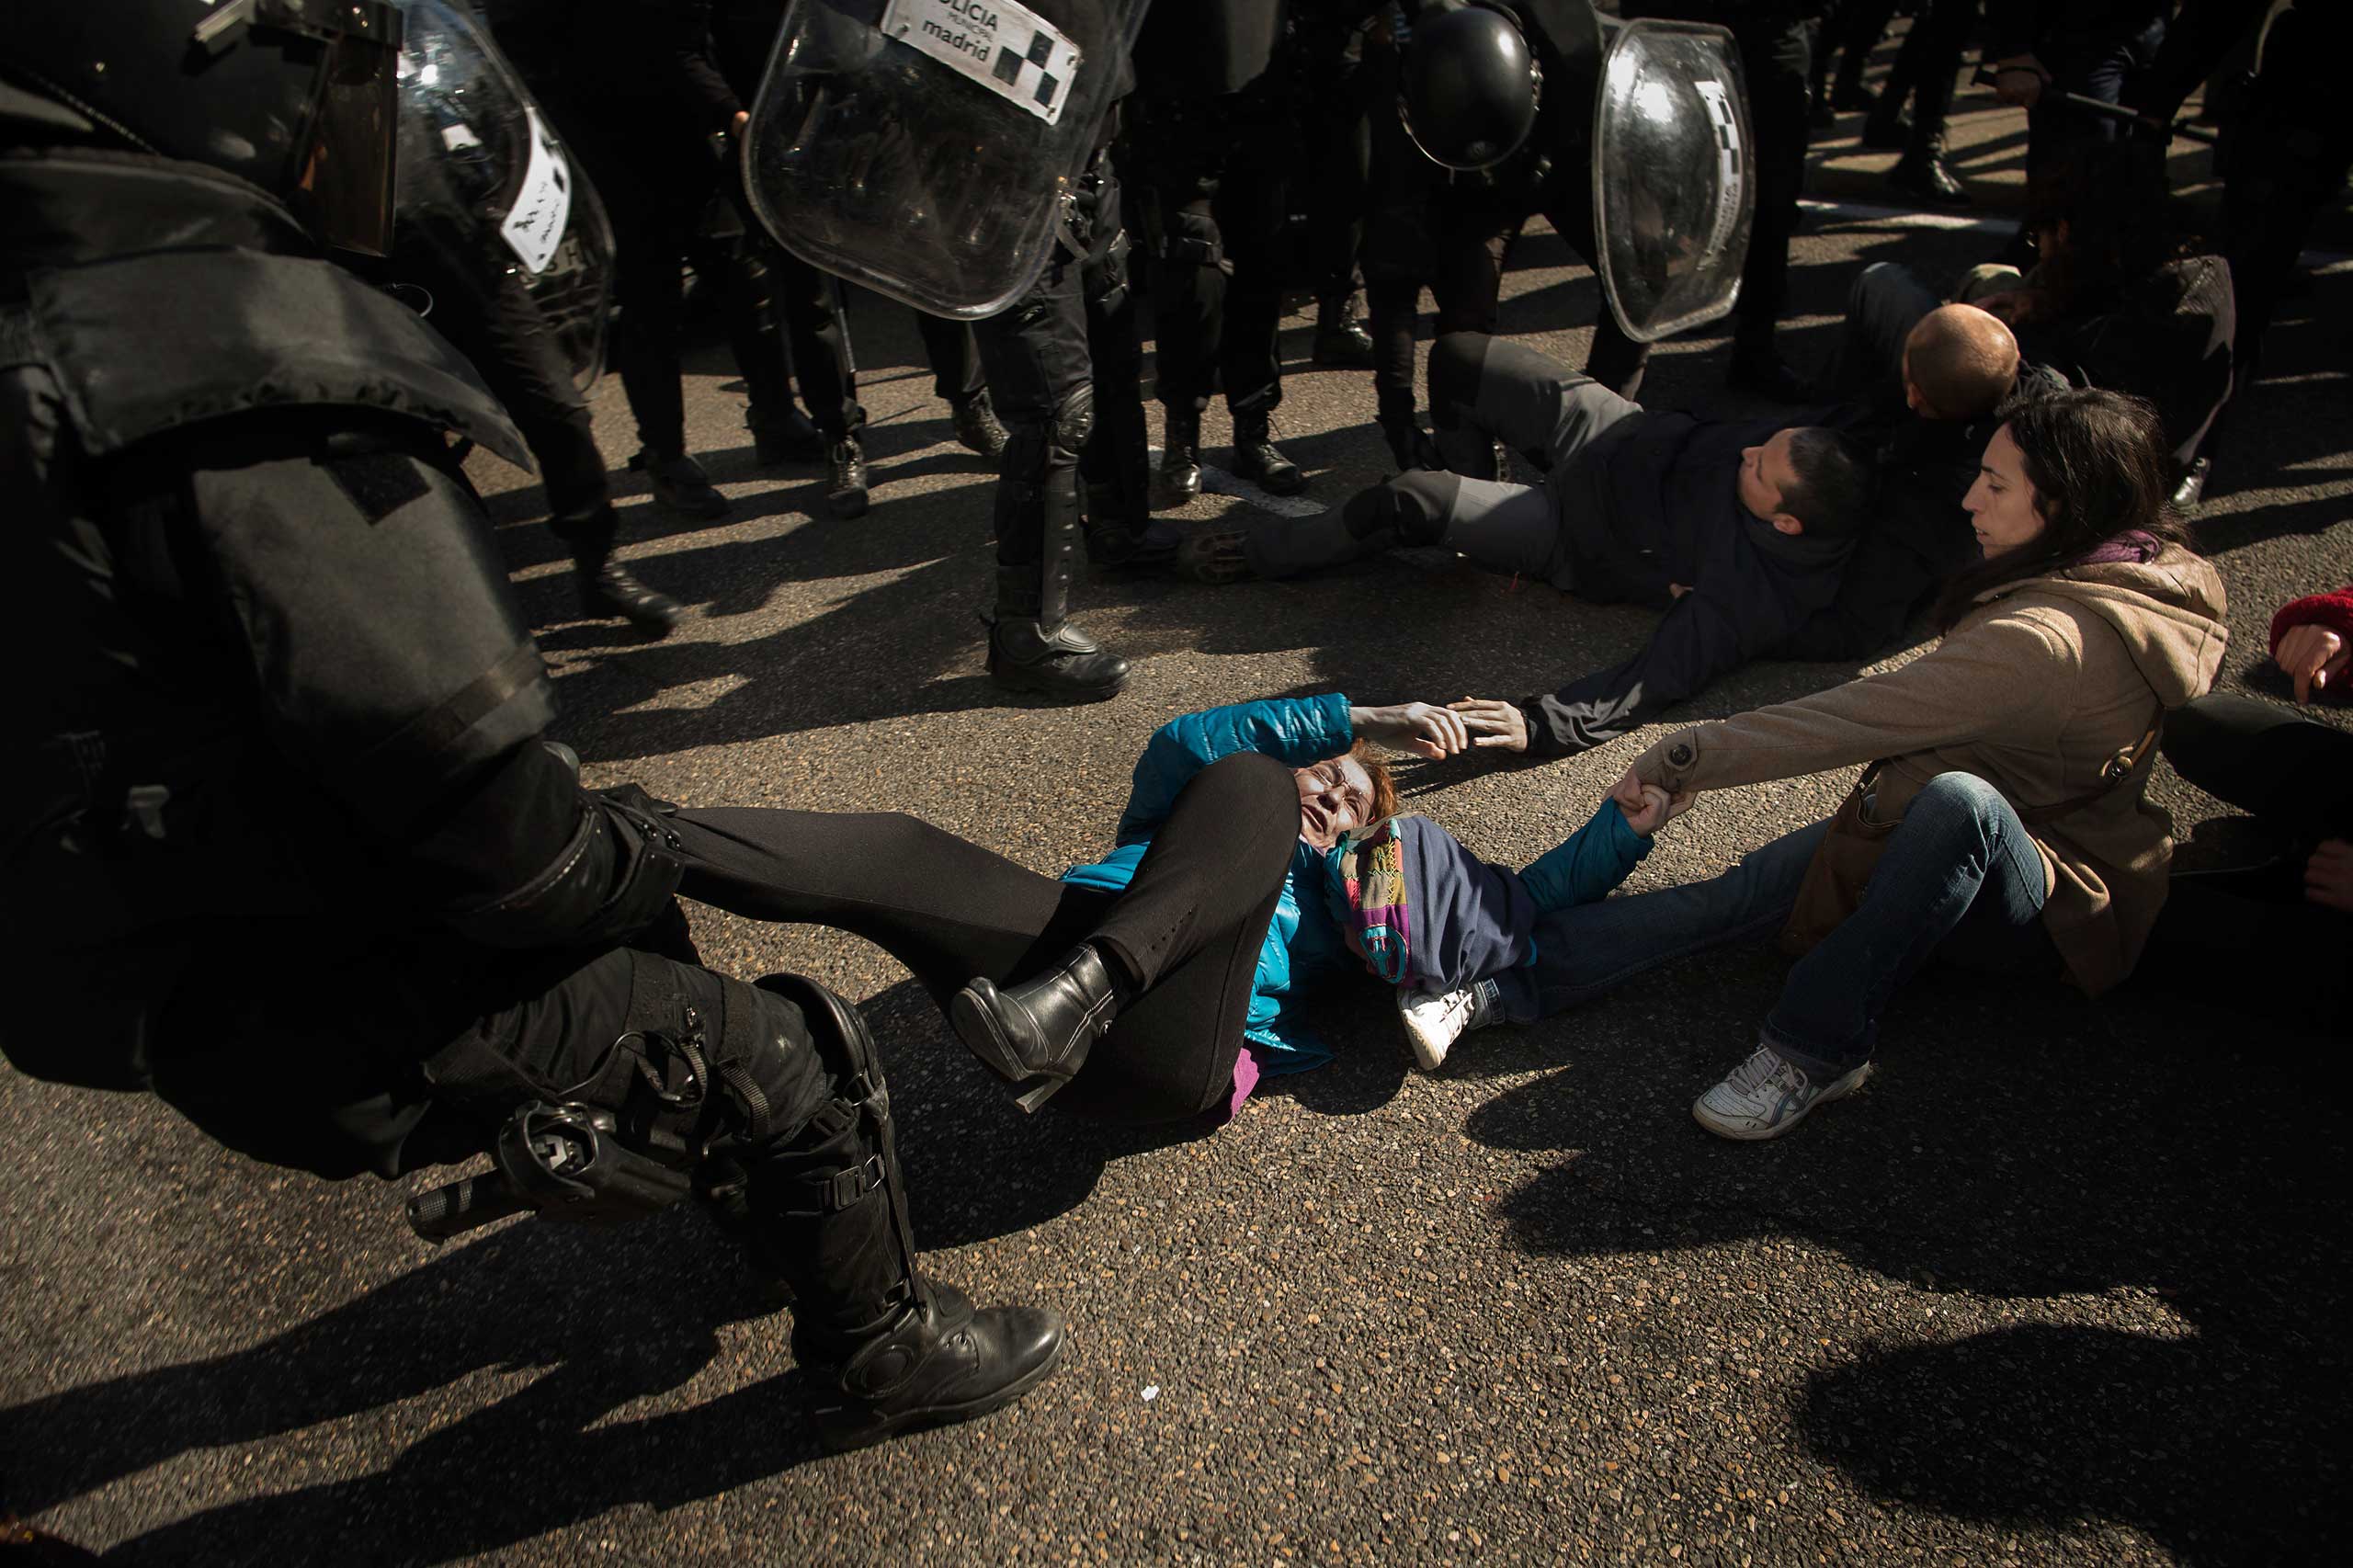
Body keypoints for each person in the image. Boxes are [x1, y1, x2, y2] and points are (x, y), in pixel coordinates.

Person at [0, 1, 1062, 1451]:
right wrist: (633, 849)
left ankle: (684, 1157)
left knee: (639, 958)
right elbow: (492, 815)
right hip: (272, 973)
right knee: (782, 1049)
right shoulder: (216, 358)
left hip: (158, 925)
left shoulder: (52, 297)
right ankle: (875, 1344)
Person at [1479, 387, 2228, 1141]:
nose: (1970, 497)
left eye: (1997, 485)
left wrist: (1685, 756)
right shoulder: (2140, 562)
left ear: (2064, 506)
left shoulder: (2045, 641)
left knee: (1959, 803)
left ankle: (1814, 1050)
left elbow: (1851, 719)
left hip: (2042, 904)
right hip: (1931, 827)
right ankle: (1504, 979)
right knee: (1730, 899)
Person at [1274, 334, 1872, 758]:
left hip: (1572, 532)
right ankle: (1476, 486)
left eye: (1759, 470)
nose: (1747, 453)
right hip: (1614, 431)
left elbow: (1653, 680)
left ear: (1786, 523)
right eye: (1761, 444)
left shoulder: (1752, 594)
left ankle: (1247, 553)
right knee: (1460, 354)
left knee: (1407, 498)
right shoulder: (1812, 455)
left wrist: (1538, 723)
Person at [1779, 298, 2039, 660]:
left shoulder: (1924, 504)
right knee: (1880, 284)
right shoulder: (2044, 400)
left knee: (1878, 282)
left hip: (1940, 534)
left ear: (1914, 395)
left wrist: (1738, 623)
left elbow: (1851, 631)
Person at [1131, 1, 1312, 503]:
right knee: (1192, 280)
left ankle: (1253, 433)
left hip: (1263, 97)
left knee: (1261, 273)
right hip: (1176, 104)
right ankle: (1182, 438)